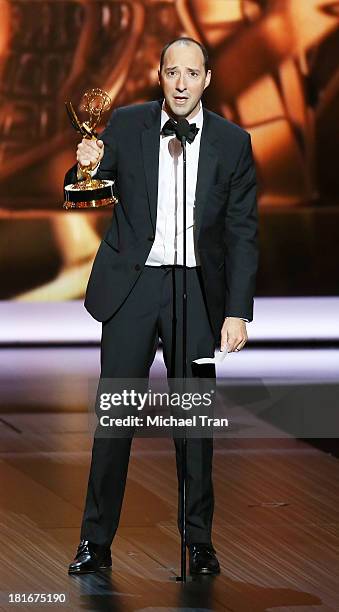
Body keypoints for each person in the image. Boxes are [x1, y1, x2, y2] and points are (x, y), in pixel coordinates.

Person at [65, 37, 258, 576]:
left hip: (197, 294)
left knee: (194, 423)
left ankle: (199, 542)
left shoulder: (233, 142)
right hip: (133, 288)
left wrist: (237, 310)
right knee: (116, 416)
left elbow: (243, 232)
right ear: (159, 75)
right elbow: (83, 192)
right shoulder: (126, 126)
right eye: (172, 72)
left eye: (190, 73)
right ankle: (95, 541)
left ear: (206, 80)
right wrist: (82, 164)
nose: (180, 83)